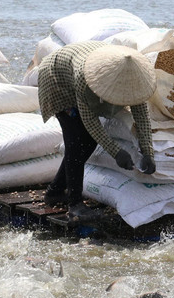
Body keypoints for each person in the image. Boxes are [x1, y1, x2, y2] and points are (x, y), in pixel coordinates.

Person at [37, 41, 157, 222]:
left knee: (89, 142)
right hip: (57, 80)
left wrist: (148, 152)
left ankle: (55, 191)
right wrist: (116, 152)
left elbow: (141, 117)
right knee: (76, 141)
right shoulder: (86, 78)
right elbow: (90, 122)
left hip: (77, 66)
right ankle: (75, 204)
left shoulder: (135, 81)